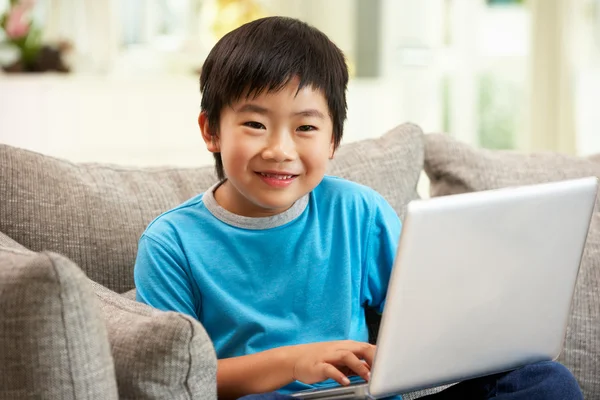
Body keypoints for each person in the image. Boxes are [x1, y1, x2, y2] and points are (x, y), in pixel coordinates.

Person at [133, 16, 583, 400]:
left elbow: (425, 317)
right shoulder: (172, 242)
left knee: (542, 381)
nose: (279, 149)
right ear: (211, 130)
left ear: (333, 141)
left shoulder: (358, 212)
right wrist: (293, 363)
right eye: (254, 124)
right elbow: (177, 377)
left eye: (305, 127)